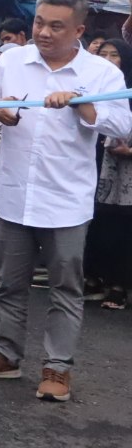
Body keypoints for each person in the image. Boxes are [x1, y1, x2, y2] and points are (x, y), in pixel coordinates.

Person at [0, 0, 132, 402]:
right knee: (8, 283)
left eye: (56, 26)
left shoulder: (101, 73)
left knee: (65, 288)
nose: (44, 32)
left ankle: (58, 368)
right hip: (12, 191)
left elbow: (122, 124)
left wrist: (83, 107)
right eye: (39, 22)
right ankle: (4, 354)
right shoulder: (13, 60)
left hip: (65, 200)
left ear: (79, 30)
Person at [85, 39, 132, 311]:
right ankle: (93, 277)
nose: (108, 60)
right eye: (103, 55)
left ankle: (119, 285)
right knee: (96, 224)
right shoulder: (89, 85)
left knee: (121, 229)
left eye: (115, 55)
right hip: (95, 166)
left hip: (125, 175)